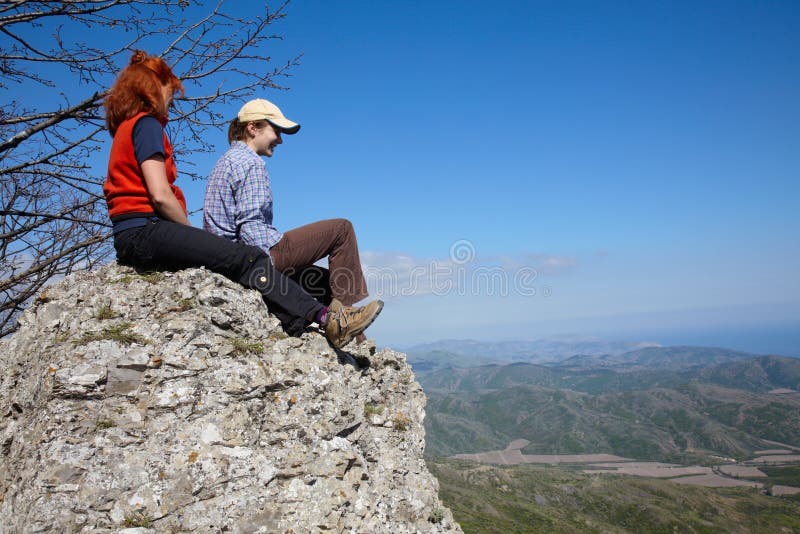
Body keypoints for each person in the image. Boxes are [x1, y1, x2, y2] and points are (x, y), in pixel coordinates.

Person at [102, 50, 382, 349]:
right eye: (170, 92)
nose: (171, 101)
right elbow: (161, 194)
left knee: (320, 280)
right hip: (146, 228)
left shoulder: (138, 132)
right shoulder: (148, 126)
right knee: (340, 229)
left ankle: (354, 339)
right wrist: (195, 240)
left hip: (135, 230)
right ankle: (334, 320)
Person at [203, 98, 374, 339]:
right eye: (276, 130)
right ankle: (345, 322)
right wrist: (269, 267)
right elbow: (251, 229)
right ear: (253, 128)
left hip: (229, 259)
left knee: (325, 281)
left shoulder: (225, 162)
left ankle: (355, 341)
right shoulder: (250, 162)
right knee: (341, 230)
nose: (280, 139)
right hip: (254, 255)